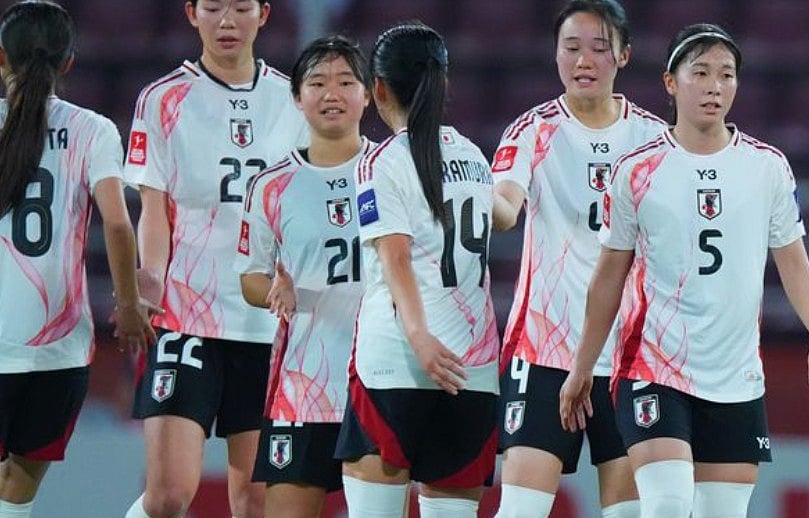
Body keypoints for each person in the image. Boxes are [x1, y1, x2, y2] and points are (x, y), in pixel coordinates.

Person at [559, 23, 809, 518]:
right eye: (701, 73)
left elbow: (792, 258)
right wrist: (583, 365)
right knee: (666, 505)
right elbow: (609, 275)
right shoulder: (637, 170)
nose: (715, 86)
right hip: (654, 367)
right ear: (671, 82)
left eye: (727, 75)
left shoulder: (766, 167)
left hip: (736, 376)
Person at [122, 1, 309, 517]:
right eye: (213, 7)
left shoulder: (293, 101)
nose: (227, 21)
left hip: (265, 325)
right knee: (167, 498)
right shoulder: (162, 99)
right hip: (187, 315)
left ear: (264, 14)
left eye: (242, 7)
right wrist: (151, 280)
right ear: (191, 13)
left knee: (253, 503)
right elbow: (154, 208)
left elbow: (304, 202)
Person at [490, 1, 664, 516]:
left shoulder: (654, 139)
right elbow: (505, 206)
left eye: (598, 48)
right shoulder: (532, 130)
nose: (583, 60)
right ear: (555, 54)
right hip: (544, 350)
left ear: (624, 56)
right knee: (520, 509)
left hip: (629, 357)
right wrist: (488, 205)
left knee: (628, 512)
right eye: (571, 48)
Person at [333, 22, 499, 518]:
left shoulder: (381, 162)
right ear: (444, 83)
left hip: (397, 365)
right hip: (471, 372)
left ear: (377, 89)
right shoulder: (474, 157)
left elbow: (396, 256)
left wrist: (419, 336)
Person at [0, 2, 156, 517]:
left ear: (2, 57)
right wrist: (129, 305)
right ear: (69, 63)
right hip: (59, 347)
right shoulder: (91, 129)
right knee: (19, 483)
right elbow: (116, 221)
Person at [235, 35, 373, 518]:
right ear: (297, 98)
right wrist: (275, 289)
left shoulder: (393, 168)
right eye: (316, 82)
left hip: (379, 379)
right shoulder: (271, 185)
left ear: (368, 94)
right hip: (304, 382)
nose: (331, 93)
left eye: (345, 82)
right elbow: (251, 278)